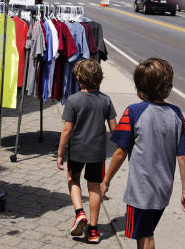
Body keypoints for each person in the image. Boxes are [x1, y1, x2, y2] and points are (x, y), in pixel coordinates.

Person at [101, 58, 185, 249]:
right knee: (146, 232)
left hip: (141, 191)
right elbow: (183, 156)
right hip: (163, 191)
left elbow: (120, 152)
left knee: (145, 236)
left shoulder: (133, 112)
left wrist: (106, 180)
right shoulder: (177, 114)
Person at [57, 59, 117, 244]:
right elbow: (114, 129)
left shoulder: (73, 100)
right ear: (99, 79)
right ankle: (93, 230)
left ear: (78, 79)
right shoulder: (106, 100)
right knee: (94, 188)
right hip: (98, 153)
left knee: (73, 179)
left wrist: (60, 153)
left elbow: (67, 130)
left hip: (77, 151)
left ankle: (79, 213)